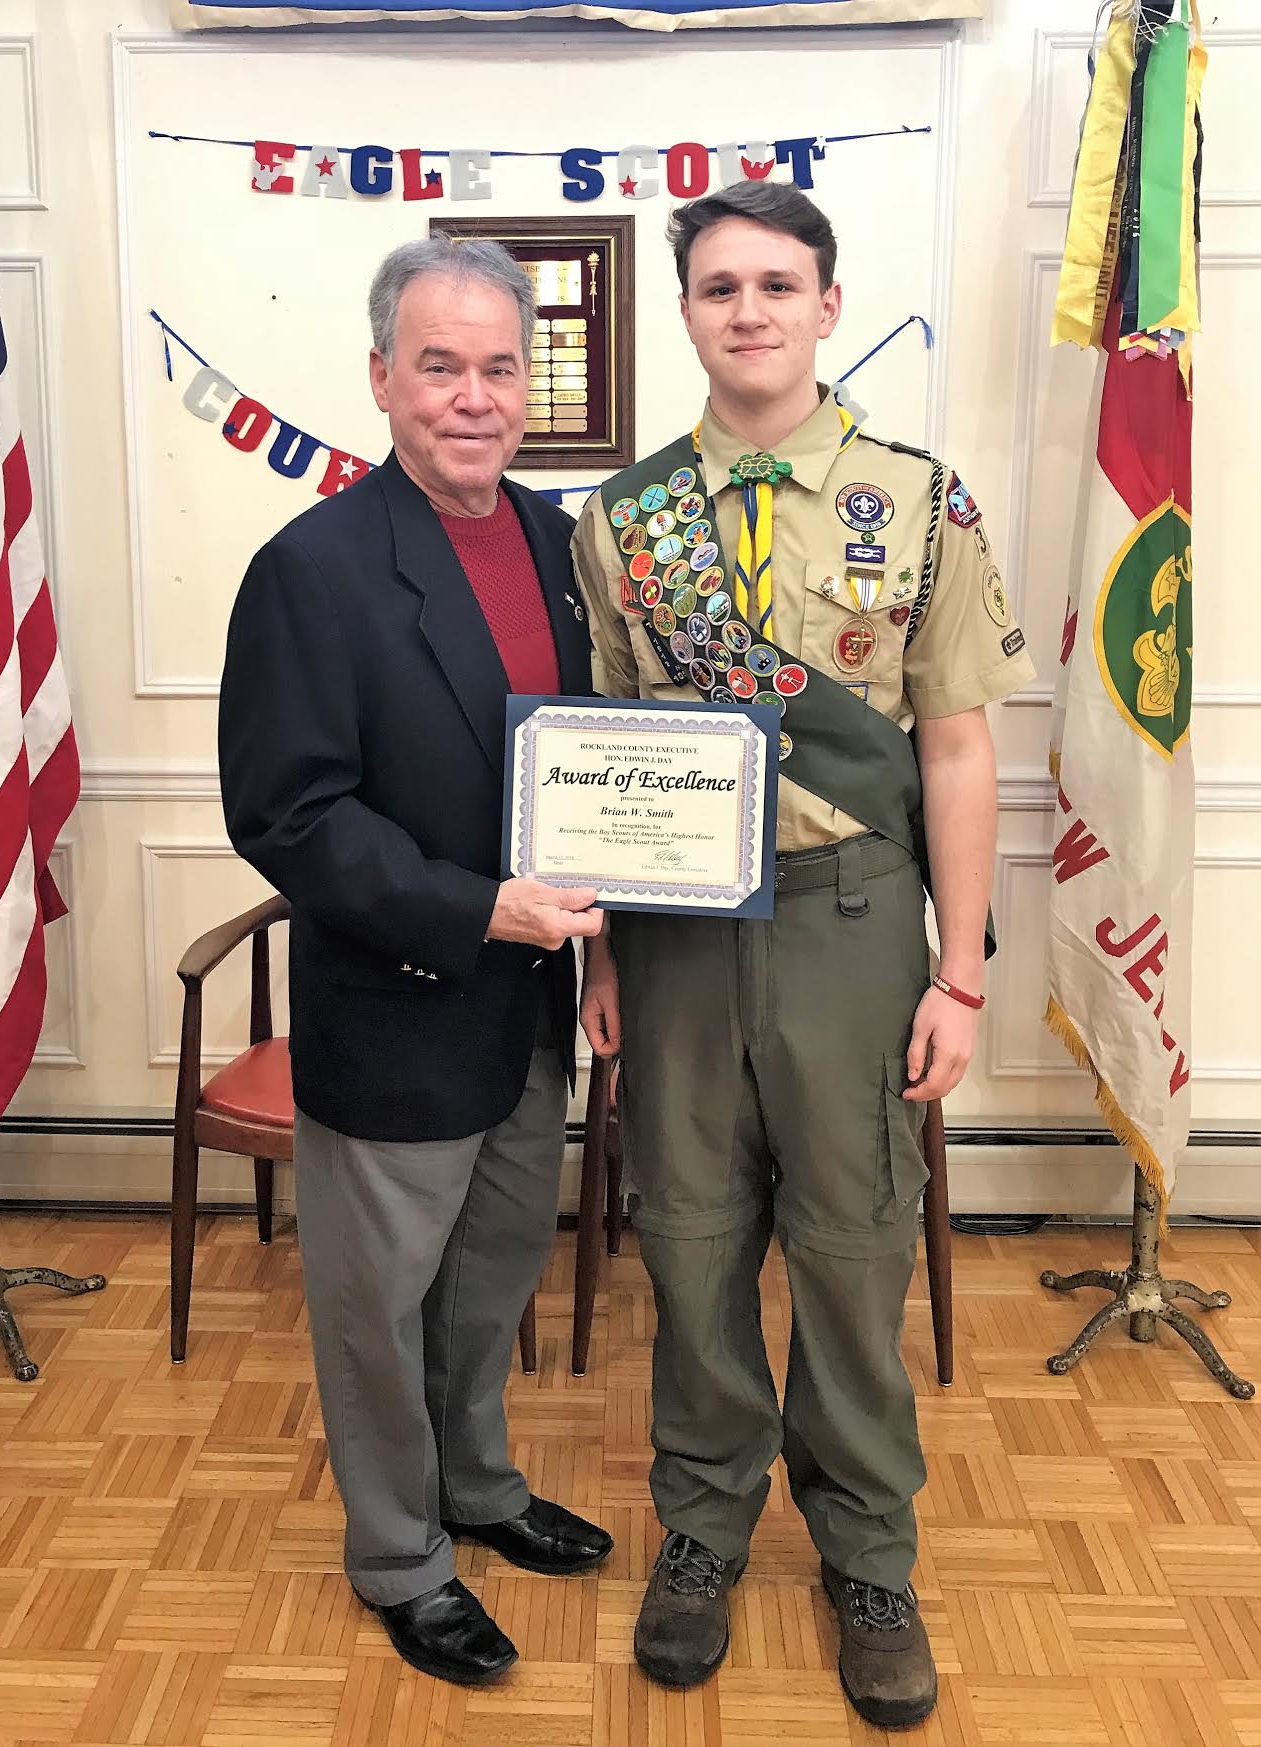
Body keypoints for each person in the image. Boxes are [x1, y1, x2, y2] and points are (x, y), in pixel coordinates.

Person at [571, 181, 1036, 1730]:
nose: (749, 310)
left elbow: (954, 749)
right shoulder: (623, 520)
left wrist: (957, 973)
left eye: (777, 283)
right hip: (680, 932)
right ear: (685, 315)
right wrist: (602, 958)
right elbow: (604, 756)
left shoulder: (917, 500)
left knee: (850, 1245)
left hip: (853, 922)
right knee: (689, 1240)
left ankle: (865, 1553)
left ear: (827, 306)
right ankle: (703, 1527)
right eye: (718, 287)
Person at [219, 237, 613, 1688]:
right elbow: (289, 814)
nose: (473, 396)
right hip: (399, 1005)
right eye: (439, 367)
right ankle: (399, 1553)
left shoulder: (563, 545)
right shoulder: (310, 567)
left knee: (491, 1278)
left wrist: (603, 946)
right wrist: (477, 910)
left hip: (533, 1006)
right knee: (378, 1309)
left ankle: (478, 1487)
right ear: (382, 377)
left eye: (500, 368)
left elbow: (605, 772)